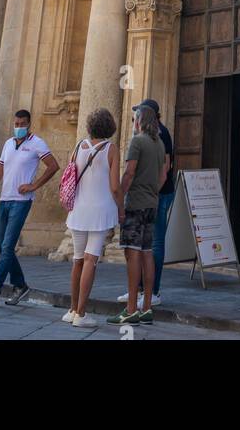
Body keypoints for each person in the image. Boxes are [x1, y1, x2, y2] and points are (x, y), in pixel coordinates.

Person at [0, 107, 59, 309]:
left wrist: (34, 185)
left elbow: (53, 166)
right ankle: (20, 285)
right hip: (5, 200)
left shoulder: (37, 143)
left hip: (21, 202)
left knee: (6, 247)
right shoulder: (8, 144)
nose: (18, 128)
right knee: (3, 245)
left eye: (22, 125)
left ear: (29, 125)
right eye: (16, 124)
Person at [107, 104, 167, 328]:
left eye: (134, 119)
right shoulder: (159, 143)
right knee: (147, 254)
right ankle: (147, 307)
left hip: (135, 205)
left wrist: (120, 201)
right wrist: (152, 192)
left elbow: (129, 172)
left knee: (132, 255)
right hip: (152, 204)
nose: (133, 122)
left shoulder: (138, 141)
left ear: (140, 121)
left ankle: (131, 309)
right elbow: (163, 173)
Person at [63, 108, 123, 329]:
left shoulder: (79, 146)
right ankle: (82, 313)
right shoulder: (112, 149)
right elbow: (115, 187)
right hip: (100, 212)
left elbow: (71, 173)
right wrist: (122, 209)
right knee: (91, 260)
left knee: (78, 259)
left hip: (78, 210)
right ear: (110, 127)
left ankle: (71, 309)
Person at [117, 98, 175, 309]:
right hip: (153, 197)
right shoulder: (154, 139)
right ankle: (141, 293)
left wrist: (149, 193)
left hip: (154, 197)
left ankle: (150, 293)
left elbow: (164, 168)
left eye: (137, 116)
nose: (134, 120)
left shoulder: (159, 135)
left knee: (145, 246)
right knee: (146, 248)